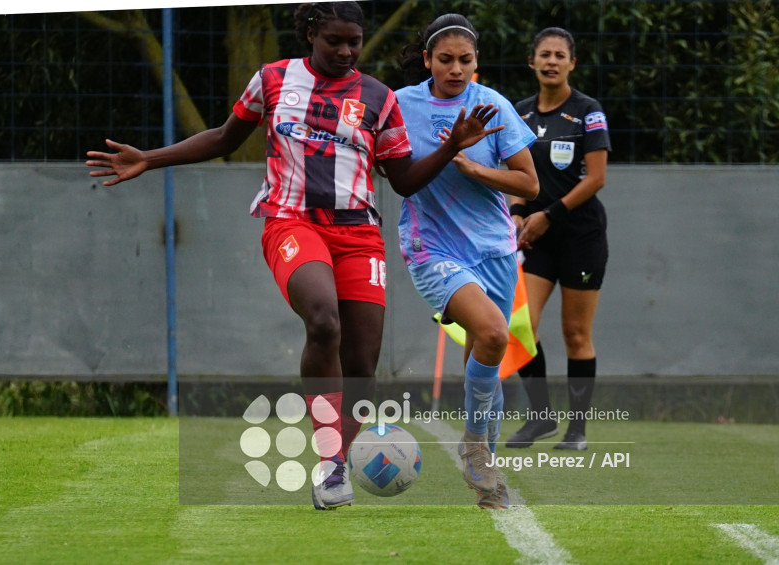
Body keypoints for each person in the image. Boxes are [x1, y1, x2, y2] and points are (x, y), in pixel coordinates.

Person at [86, 2, 504, 510]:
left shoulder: (378, 98)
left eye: (355, 41)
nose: (347, 51)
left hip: (358, 233)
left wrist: (451, 146)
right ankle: (330, 465)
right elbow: (223, 137)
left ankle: (342, 461)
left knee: (362, 364)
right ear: (310, 34)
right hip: (292, 221)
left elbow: (404, 180)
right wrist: (149, 159)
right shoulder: (272, 79)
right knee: (324, 321)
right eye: (335, 41)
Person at [395, 14, 539, 509]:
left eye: (466, 60)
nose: (456, 69)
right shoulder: (401, 104)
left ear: (476, 62)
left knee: (487, 357)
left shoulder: (492, 105)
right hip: (431, 246)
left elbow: (529, 184)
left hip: (495, 250)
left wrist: (477, 168)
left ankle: (487, 479)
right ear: (428, 60)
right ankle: (476, 447)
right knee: (495, 333)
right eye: (446, 59)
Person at [504, 27, 611, 451]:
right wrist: (515, 213)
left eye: (559, 55)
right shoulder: (519, 113)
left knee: (575, 333)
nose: (551, 61)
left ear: (572, 63)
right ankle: (541, 417)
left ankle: (577, 430)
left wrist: (548, 214)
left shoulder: (588, 111)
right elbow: (515, 173)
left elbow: (597, 178)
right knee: (520, 327)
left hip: (581, 236)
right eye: (543, 54)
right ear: (531, 62)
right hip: (536, 239)